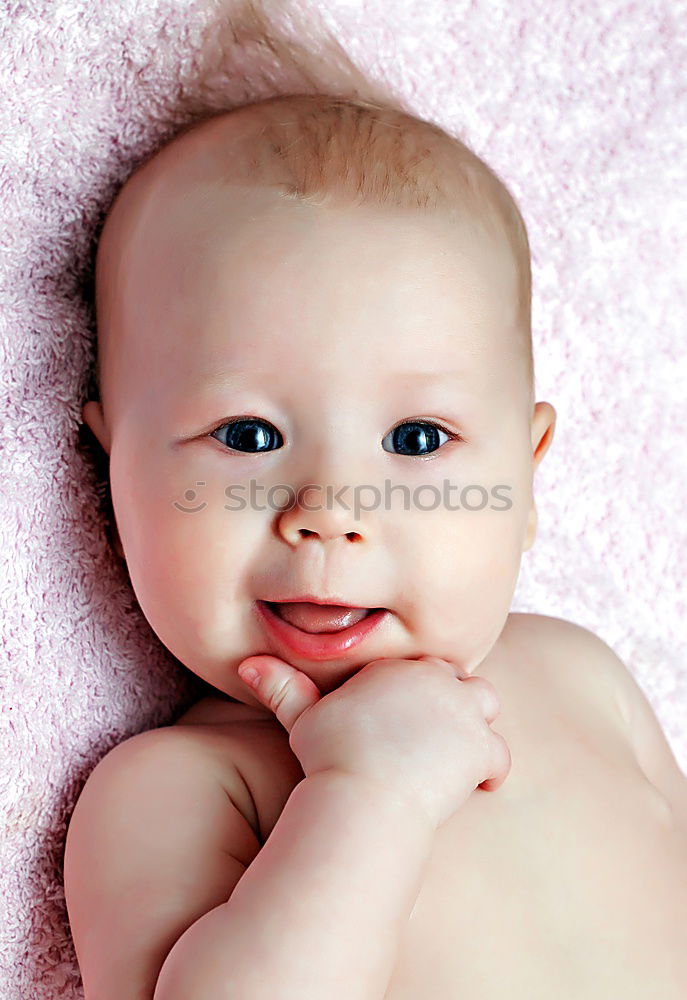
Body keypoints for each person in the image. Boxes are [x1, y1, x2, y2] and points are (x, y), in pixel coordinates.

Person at [64, 88, 687, 999]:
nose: (329, 510)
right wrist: (369, 797)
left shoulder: (585, 676)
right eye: (246, 436)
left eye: (416, 440)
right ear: (114, 471)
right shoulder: (179, 789)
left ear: (524, 475)